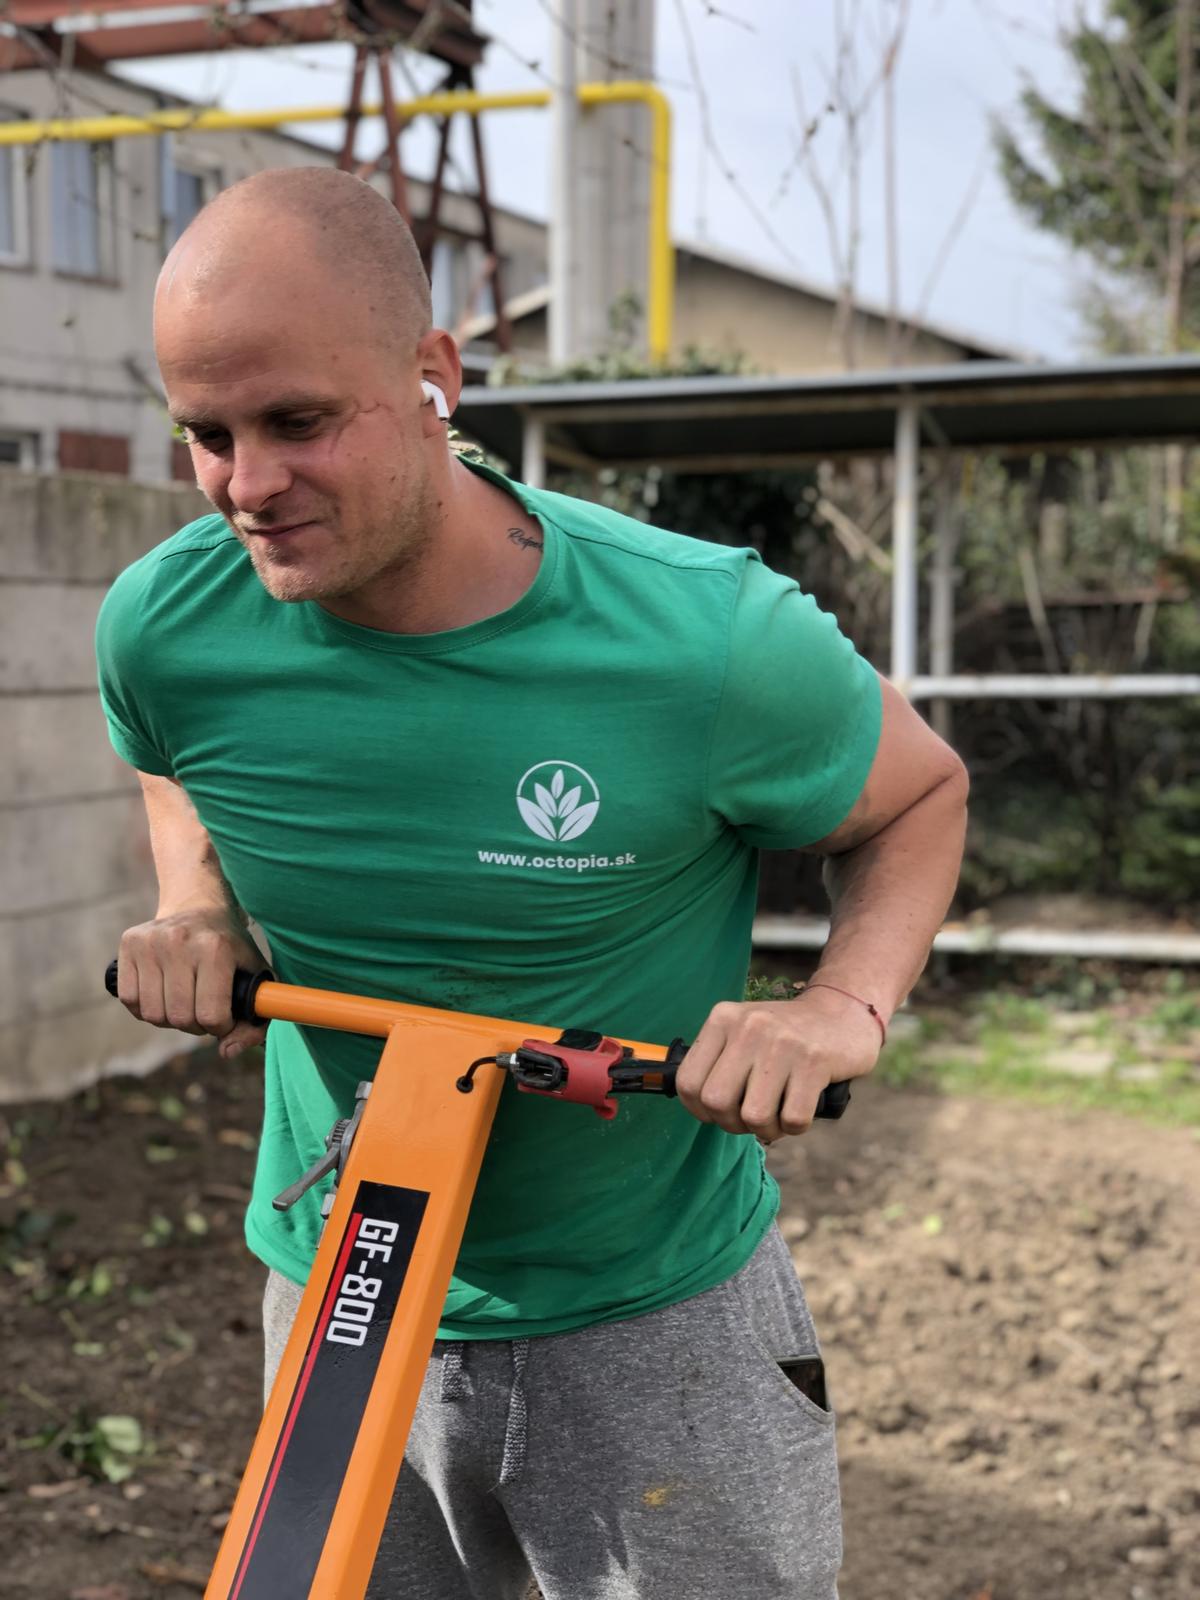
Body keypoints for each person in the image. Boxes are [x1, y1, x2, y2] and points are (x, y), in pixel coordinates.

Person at [97, 167, 968, 1600]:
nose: (247, 485)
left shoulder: (705, 639)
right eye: (208, 434)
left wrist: (840, 1006)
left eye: (299, 422)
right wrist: (197, 903)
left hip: (654, 1317)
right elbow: (165, 753)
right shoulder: (167, 626)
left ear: (434, 377)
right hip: (341, 1290)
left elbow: (919, 794)